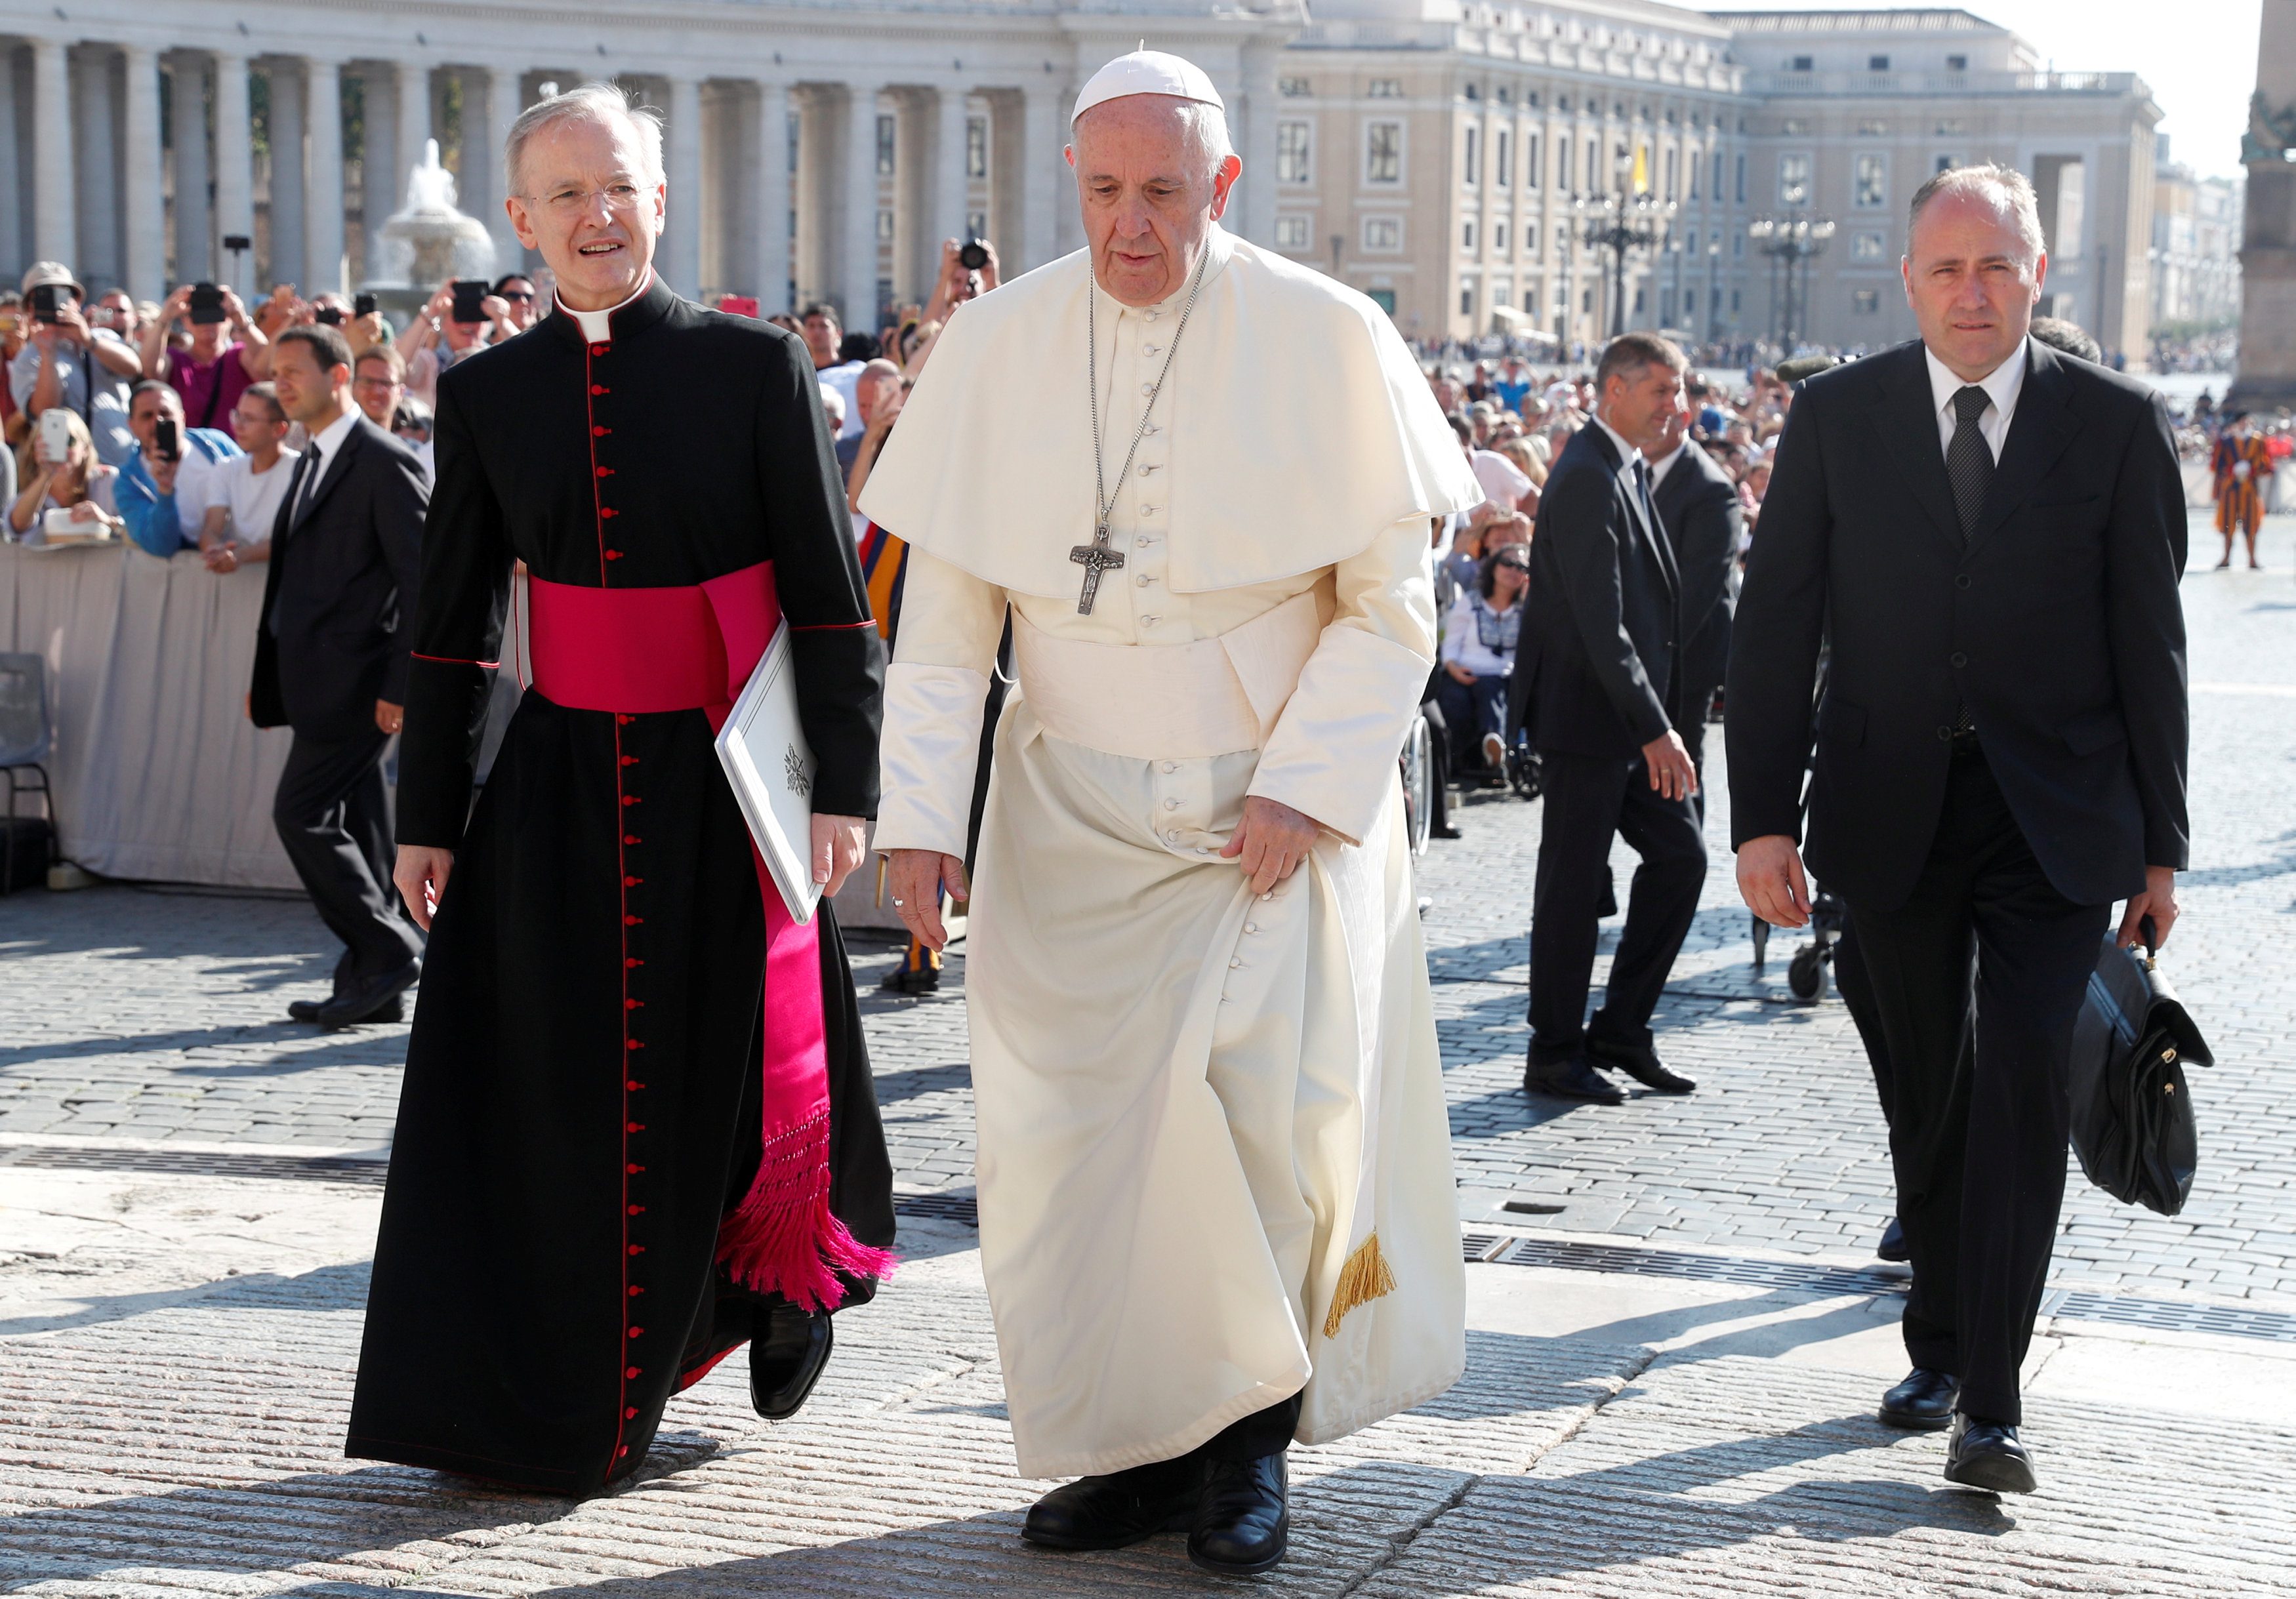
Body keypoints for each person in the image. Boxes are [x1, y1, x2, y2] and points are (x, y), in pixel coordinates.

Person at [861, 51, 1479, 1577]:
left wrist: (1303, 787)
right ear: (1071, 182)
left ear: (1222, 184)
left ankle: (1245, 1451)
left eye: (1162, 194)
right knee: (1082, 1149)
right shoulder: (998, 344)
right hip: (1066, 815)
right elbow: (944, 624)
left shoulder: (1326, 334)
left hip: (1253, 820)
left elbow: (1391, 606)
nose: (1129, 228)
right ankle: (1135, 1452)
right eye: (1102, 192)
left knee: (1252, 1130)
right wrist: (919, 823)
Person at [350, 81, 893, 1497]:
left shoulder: (754, 367)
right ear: (521, 222)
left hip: (724, 784)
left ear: (660, 200)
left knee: (723, 1076)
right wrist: (424, 812)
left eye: (621, 189)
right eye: (566, 196)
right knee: (546, 1098)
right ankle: (536, 1392)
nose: (598, 217)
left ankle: (750, 1306)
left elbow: (833, 602)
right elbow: (452, 623)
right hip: (553, 794)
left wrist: (841, 785)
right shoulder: (481, 396)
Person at [1727, 164, 2188, 1495]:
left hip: (2055, 821)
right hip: (1885, 814)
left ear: (2037, 273)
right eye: (1946, 269)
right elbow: (1775, 638)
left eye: (1996, 267)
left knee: (2022, 1086)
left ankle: (1990, 1398)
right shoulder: (1835, 419)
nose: (1971, 293)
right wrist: (1761, 822)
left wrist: (2159, 847)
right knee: (1926, 1100)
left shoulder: (2116, 424)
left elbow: (2147, 646)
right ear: (1907, 278)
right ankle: (1937, 1336)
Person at [1509, 332, 1703, 1106]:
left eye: (1678, 389)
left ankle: (1620, 1028)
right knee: (1571, 889)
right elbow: (1600, 621)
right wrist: (1655, 725)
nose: (1675, 406)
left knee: (1680, 858)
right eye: (1661, 389)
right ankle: (1553, 1050)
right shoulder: (1589, 473)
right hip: (1591, 721)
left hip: (1623, 723)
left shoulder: (1617, 466)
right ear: (1613, 390)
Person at [248, 323, 429, 1027]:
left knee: (300, 814)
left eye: (294, 370)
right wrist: (268, 675)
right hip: (315, 680)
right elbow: (294, 582)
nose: (281, 383)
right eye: (275, 371)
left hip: (360, 687)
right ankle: (371, 983)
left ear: (340, 377)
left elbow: (422, 582)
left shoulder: (384, 461)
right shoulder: (310, 459)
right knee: (363, 828)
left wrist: (401, 684)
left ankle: (388, 949)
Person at [1643, 403, 1742, 789]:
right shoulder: (1637, 471)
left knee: (1679, 769)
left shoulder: (1711, 488)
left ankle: (1684, 849)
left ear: (1683, 422)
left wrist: (1646, 651)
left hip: (1683, 655)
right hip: (1645, 652)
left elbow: (1698, 591)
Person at [12, 262, 142, 468]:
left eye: (64, 295)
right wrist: (48, 352)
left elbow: (134, 368)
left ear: (77, 302)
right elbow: (44, 411)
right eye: (45, 298)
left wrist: (88, 340)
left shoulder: (102, 338)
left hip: (121, 467)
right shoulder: (27, 359)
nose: (56, 304)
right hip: (68, 475)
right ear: (31, 308)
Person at [115, 380, 240, 557]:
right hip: (192, 572)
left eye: (165, 413)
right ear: (132, 426)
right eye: (147, 416)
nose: (157, 421)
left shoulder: (216, 445)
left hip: (243, 558)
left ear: (182, 417)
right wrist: (165, 491)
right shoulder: (129, 483)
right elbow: (161, 546)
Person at [1437, 546, 1528, 772]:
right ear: (1494, 567)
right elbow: (1451, 643)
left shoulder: (1525, 608)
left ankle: (1495, 747)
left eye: (1522, 567)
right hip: (1464, 670)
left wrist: (1528, 603)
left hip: (1503, 675)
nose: (1514, 571)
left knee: (1491, 691)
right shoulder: (1471, 601)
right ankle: (1463, 761)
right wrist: (1453, 667)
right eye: (1508, 563)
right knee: (1454, 699)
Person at [141, 281, 270, 432]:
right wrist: (165, 318)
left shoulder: (239, 357)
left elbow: (268, 364)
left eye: (215, 316)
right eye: (198, 316)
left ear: (227, 320)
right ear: (185, 322)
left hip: (236, 451)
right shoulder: (176, 360)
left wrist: (241, 319)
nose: (208, 324)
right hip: (191, 452)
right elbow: (149, 369)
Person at [198, 382, 298, 573]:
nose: (238, 425)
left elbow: (294, 537)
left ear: (279, 429)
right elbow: (211, 529)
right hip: (238, 585)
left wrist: (240, 556)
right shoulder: (226, 469)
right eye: (237, 415)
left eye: (249, 419)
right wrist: (216, 553)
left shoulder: (301, 470)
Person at [7, 405, 118, 540]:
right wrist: (46, 476)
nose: (63, 449)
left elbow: (138, 528)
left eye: (70, 441)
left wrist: (107, 521)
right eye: (51, 442)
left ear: (86, 449)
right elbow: (17, 526)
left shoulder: (109, 480)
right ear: (35, 451)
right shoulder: (32, 494)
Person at [800, 302, 865, 441]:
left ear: (838, 333)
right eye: (811, 326)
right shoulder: (801, 374)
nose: (817, 332)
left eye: (823, 326)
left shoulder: (852, 375)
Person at [2212, 413, 2270, 570]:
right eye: (2243, 421)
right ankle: (2226, 557)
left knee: (2251, 524)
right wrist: (2232, 471)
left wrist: (2252, 470)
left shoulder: (2257, 442)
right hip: (2230, 488)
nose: (2245, 424)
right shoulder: (2226, 442)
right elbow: (2217, 465)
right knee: (2227, 524)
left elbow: (2265, 464)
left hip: (2249, 489)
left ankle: (2252, 559)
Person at [350, 346, 408, 433]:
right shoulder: (332, 444)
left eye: (386, 383)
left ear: (401, 392)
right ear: (352, 386)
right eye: (368, 382)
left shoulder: (408, 447)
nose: (376, 391)